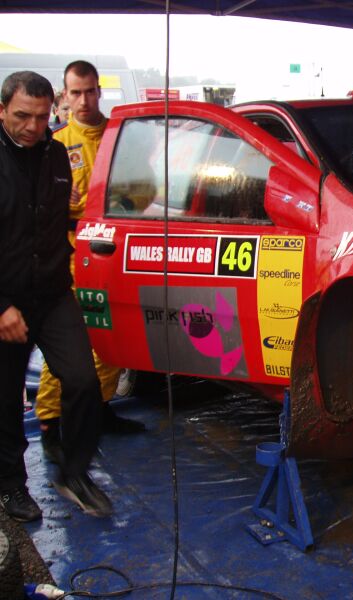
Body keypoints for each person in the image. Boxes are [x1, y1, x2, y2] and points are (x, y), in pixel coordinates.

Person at [0, 70, 112, 520]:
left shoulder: (56, 154)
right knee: (7, 400)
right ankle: (10, 486)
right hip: (6, 299)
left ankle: (74, 471)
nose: (32, 127)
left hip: (52, 292)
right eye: (22, 116)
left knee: (84, 380)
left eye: (42, 117)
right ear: (2, 110)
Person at [36, 60, 144, 466]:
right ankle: (49, 419)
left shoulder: (123, 138)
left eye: (89, 91)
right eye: (74, 93)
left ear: (100, 91)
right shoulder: (56, 143)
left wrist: (122, 203)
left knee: (112, 334)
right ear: (64, 96)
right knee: (67, 342)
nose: (83, 100)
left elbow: (147, 187)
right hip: (70, 255)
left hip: (114, 252)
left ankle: (100, 408)